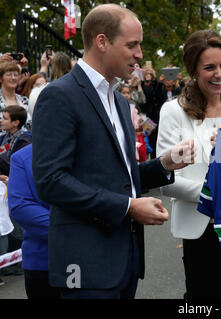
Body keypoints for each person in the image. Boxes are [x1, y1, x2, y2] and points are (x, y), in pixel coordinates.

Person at [32, 4, 194, 299]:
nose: (140, 54)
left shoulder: (118, 101)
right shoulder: (59, 96)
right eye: (132, 45)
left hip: (125, 260)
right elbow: (51, 181)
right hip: (84, 263)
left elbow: (119, 177)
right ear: (102, 42)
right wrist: (128, 207)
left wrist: (165, 163)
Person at [156, 30, 221, 299]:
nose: (219, 74)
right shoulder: (173, 111)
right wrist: (214, 193)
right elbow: (166, 180)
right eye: (209, 67)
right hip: (200, 228)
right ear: (193, 69)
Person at [8, 144, 60, 299]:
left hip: (91, 260)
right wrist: (73, 231)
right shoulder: (22, 157)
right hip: (43, 260)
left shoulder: (92, 149)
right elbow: (21, 207)